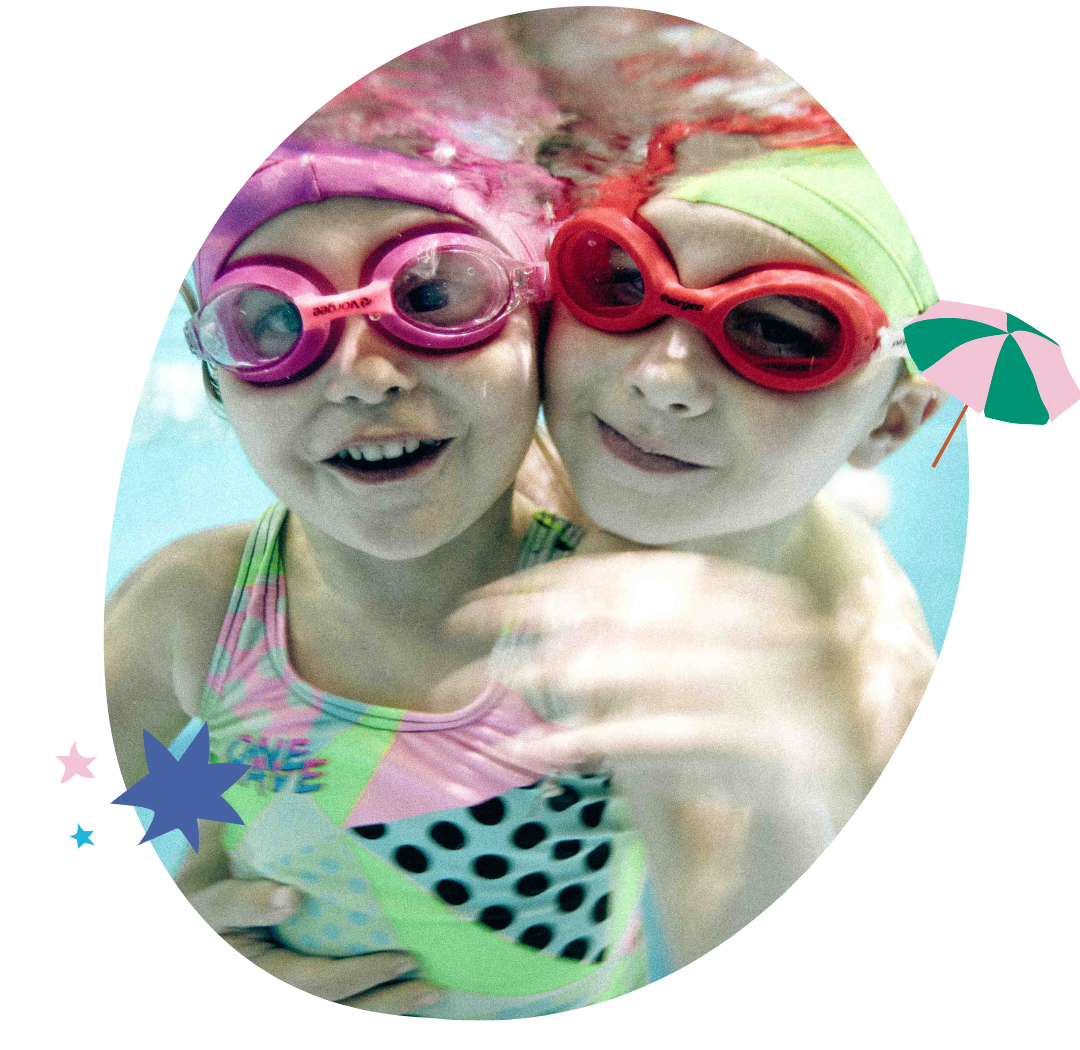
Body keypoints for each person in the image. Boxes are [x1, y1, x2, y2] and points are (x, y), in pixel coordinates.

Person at [105, 26, 940, 1019]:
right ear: (218, 380)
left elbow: (720, 909)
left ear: (533, 327)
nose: (363, 376)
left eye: (434, 295)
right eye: (271, 323)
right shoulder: (191, 609)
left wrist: (796, 778)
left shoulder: (608, 617)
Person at [445, 110, 944, 971]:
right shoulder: (492, 449)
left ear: (890, 421)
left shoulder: (865, 681)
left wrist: (788, 781)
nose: (661, 376)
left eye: (781, 333)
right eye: (618, 281)